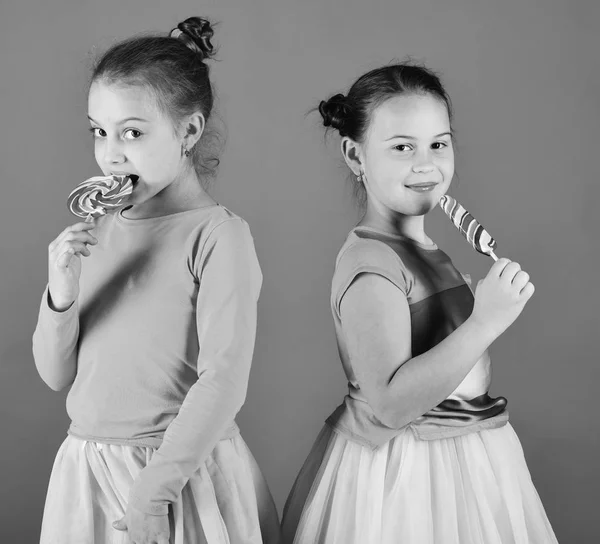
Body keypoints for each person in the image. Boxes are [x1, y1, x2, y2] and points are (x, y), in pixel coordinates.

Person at [281, 63, 558, 544]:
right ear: (355, 155)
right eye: (402, 147)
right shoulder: (372, 263)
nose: (426, 164)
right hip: (405, 474)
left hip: (470, 457)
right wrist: (486, 321)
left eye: (439, 143)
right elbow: (391, 404)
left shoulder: (429, 250)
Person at [33, 16, 280, 544]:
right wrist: (61, 294)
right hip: (88, 467)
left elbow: (224, 380)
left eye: (133, 133)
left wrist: (155, 490)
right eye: (100, 131)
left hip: (175, 475)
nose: (111, 154)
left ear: (189, 131)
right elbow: (57, 376)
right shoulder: (97, 231)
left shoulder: (218, 237)